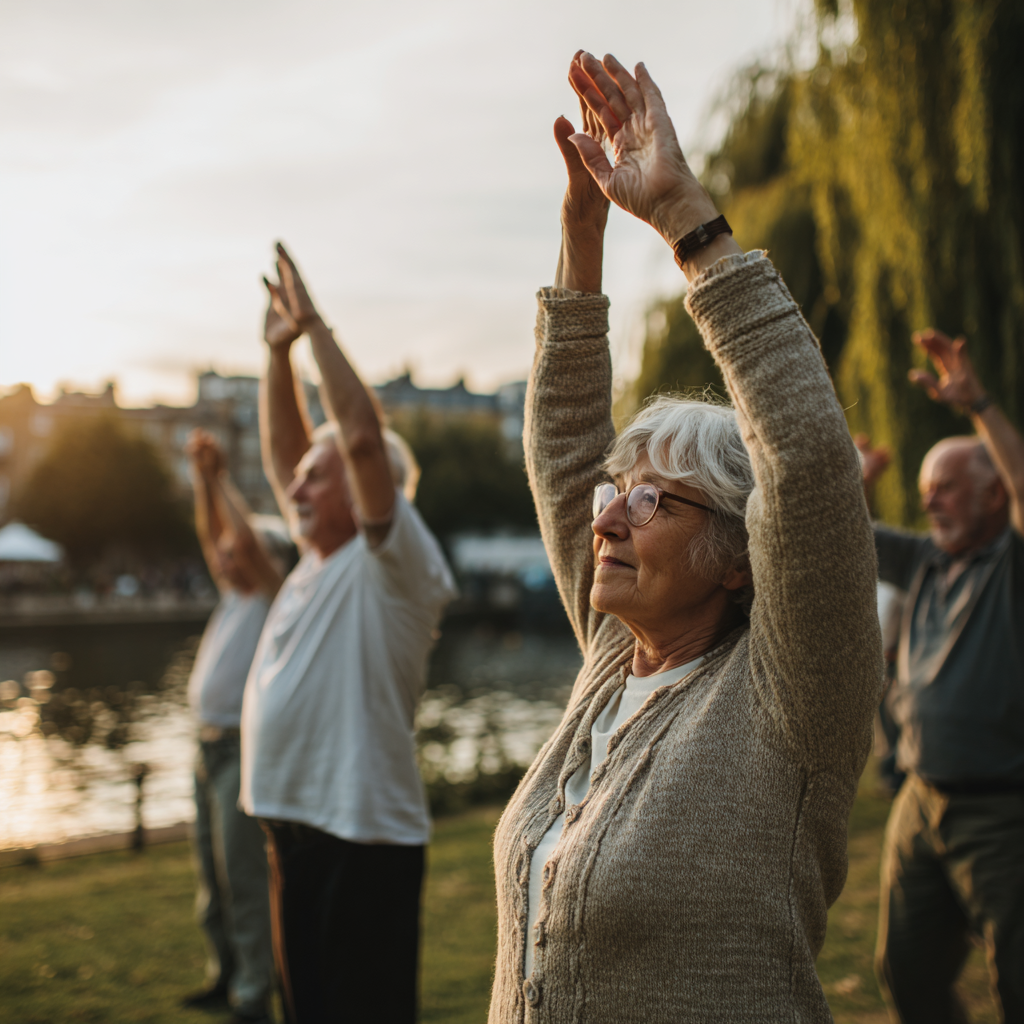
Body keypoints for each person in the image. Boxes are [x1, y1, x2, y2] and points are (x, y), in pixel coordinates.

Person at [488, 52, 883, 1022]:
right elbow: (564, 450)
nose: (611, 514)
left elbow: (805, 458)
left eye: (656, 499)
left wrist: (682, 223)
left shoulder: (793, 699)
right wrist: (580, 235)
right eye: (616, 492)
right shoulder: (613, 658)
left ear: (743, 553)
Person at [238, 244, 457, 1024]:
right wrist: (275, 353)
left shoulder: (389, 562)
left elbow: (360, 435)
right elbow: (282, 452)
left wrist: (314, 325)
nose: (294, 483)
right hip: (292, 833)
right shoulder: (315, 559)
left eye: (316, 474)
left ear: (371, 489)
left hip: (358, 844)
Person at [857, 329, 1024, 1023]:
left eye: (949, 489)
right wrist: (857, 486)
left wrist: (979, 405)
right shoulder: (926, 560)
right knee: (906, 974)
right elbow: (845, 539)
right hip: (919, 804)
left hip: (1004, 814)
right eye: (926, 490)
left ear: (994, 495)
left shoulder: (1010, 566)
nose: (931, 503)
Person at [182, 429, 291, 1024]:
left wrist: (221, 477)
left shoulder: (274, 597)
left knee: (242, 877)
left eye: (236, 548)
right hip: (205, 749)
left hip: (239, 753)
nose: (224, 552)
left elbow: (242, 540)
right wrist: (202, 479)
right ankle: (224, 975)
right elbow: (214, 534)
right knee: (210, 874)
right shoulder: (233, 595)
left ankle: (254, 995)